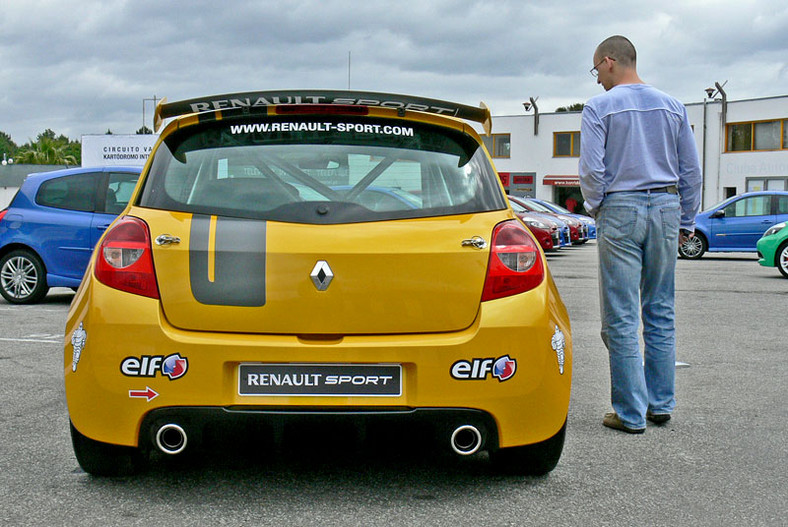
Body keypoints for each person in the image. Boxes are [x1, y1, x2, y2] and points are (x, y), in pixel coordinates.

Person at [578, 35, 702, 434]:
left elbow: (592, 171)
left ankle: (630, 413)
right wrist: (687, 220)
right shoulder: (673, 106)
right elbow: (690, 172)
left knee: (622, 313)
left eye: (596, 68)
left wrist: (599, 206)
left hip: (621, 207)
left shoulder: (599, 108)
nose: (596, 78)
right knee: (660, 308)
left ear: (609, 61)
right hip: (666, 208)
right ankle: (660, 403)